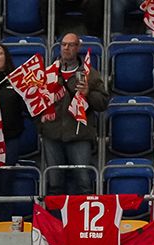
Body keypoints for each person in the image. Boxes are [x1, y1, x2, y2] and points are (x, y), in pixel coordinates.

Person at [39, 32, 107, 195]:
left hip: (79, 135)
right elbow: (36, 102)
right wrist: (42, 126)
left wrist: (88, 93)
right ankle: (56, 221)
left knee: (83, 182)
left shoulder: (89, 73)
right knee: (54, 183)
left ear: (78, 48)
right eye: (63, 45)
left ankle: (84, 220)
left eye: (71, 45)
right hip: (52, 134)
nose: (66, 48)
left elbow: (103, 103)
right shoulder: (49, 73)